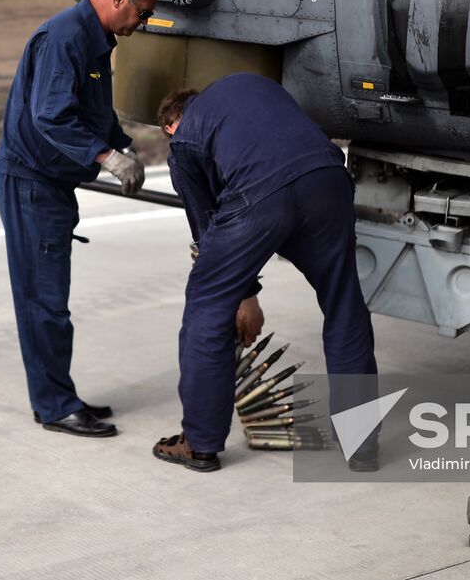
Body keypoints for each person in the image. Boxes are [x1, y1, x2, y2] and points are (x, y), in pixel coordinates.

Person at [150, 73, 378, 472]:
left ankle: (200, 443)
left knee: (206, 306)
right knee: (344, 304)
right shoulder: (251, 87)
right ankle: (362, 445)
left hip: (260, 195)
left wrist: (243, 295)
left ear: (173, 124)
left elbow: (207, 231)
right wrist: (248, 291)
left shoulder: (184, 140)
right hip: (326, 177)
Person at [0, 0, 163, 438]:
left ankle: (58, 394)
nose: (143, 23)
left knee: (53, 300)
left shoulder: (93, 39)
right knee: (44, 302)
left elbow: (91, 109)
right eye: (142, 13)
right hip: (32, 186)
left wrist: (124, 147)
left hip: (50, 185)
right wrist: (107, 157)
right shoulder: (66, 38)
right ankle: (54, 406)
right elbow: (52, 117)